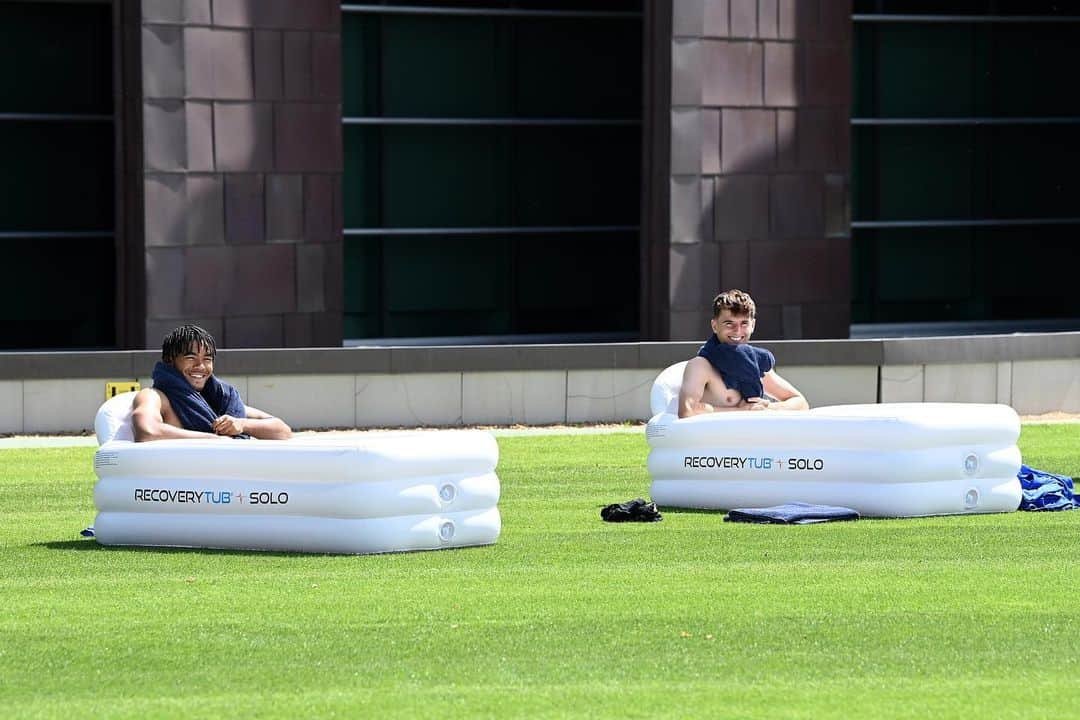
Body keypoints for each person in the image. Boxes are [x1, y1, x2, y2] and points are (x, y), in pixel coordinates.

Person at [131, 325, 292, 441]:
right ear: (169, 361)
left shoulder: (220, 399)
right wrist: (215, 440)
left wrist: (242, 424)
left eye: (207, 359)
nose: (200, 366)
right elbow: (147, 431)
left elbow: (283, 431)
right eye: (190, 358)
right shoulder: (155, 396)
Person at [678, 289, 809, 418]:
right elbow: (688, 410)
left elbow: (801, 403)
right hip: (718, 438)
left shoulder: (754, 364)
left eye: (744, 323)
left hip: (751, 437)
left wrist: (767, 407)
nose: (737, 331)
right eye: (729, 324)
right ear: (714, 326)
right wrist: (740, 411)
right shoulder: (700, 365)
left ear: (753, 325)